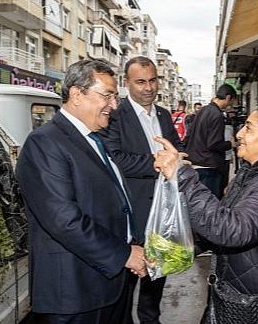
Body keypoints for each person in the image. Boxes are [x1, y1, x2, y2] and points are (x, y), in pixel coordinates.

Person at [154, 104, 258, 323]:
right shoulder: (255, 171)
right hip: (234, 294)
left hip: (252, 306)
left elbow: (233, 230)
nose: (239, 134)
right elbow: (221, 219)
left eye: (248, 128)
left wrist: (182, 176)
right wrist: (179, 249)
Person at [15, 60, 147, 324]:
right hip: (76, 292)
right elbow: (64, 220)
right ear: (77, 94)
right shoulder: (45, 143)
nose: (113, 105)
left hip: (110, 283)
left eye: (115, 97)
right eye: (107, 96)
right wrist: (124, 254)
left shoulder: (95, 137)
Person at [100, 56, 182, 324]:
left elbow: (176, 149)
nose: (148, 88)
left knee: (156, 277)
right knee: (126, 283)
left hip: (163, 212)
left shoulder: (164, 114)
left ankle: (151, 319)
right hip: (131, 214)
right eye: (140, 82)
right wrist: (158, 162)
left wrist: (178, 158)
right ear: (127, 84)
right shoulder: (114, 116)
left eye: (153, 80)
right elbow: (116, 159)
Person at [185, 84, 236, 198]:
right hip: (208, 166)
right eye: (231, 102)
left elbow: (189, 135)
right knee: (210, 205)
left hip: (196, 163)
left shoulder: (203, 110)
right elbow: (213, 144)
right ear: (228, 98)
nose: (230, 105)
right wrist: (230, 144)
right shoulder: (217, 115)